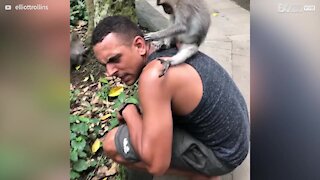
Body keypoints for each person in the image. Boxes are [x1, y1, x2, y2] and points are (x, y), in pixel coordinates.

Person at [91, 16, 249, 180]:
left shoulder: (155, 75)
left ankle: (202, 174)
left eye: (115, 59)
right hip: (236, 138)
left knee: (111, 143)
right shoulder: (165, 49)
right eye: (105, 65)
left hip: (224, 155)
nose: (110, 72)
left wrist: (129, 111)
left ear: (139, 46)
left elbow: (156, 165)